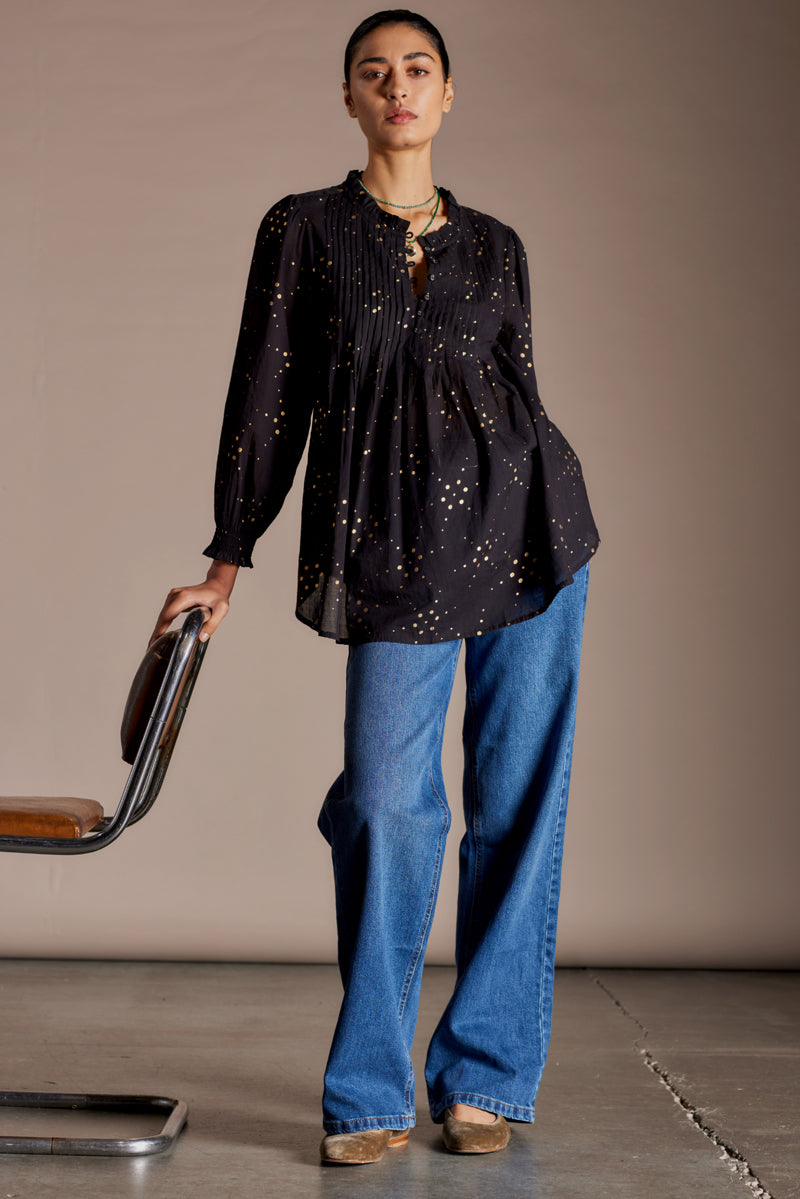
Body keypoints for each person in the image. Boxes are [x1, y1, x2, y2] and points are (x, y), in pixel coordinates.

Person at [152, 8, 599, 1166]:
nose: (396, 86)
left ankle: (485, 1075)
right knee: (387, 804)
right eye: (373, 71)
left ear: (447, 92)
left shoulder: (495, 244)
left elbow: (514, 390)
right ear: (348, 97)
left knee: (517, 807)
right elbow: (267, 397)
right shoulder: (305, 228)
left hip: (531, 536)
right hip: (397, 550)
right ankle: (367, 1089)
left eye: (416, 69)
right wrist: (227, 557)